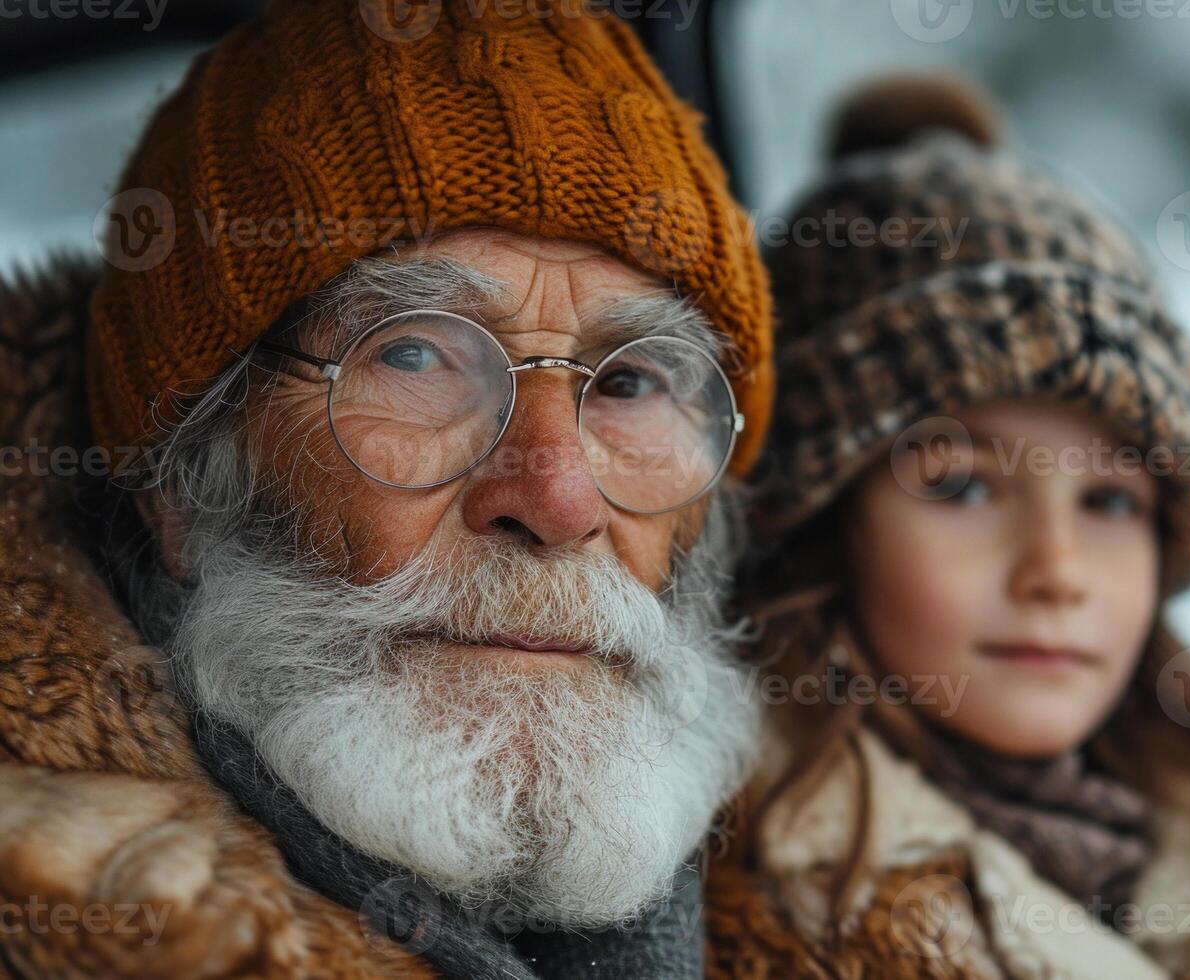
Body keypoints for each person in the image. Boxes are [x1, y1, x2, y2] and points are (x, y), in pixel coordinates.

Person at [0, 2, 773, 976]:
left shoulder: (856, 914)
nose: (557, 498)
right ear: (185, 487)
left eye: (628, 382)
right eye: (413, 355)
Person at [705, 75, 1190, 979]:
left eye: (1111, 502)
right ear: (820, 520)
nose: (1058, 572)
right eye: (964, 489)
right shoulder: (781, 915)